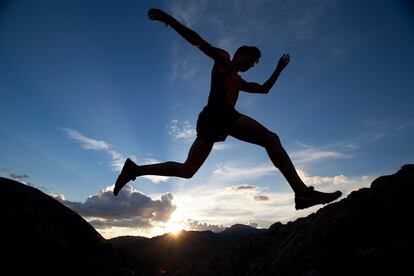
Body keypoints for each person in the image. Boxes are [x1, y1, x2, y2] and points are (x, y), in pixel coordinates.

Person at [113, 8, 342, 210]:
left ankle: (134, 170)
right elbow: (198, 41)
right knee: (270, 139)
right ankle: (301, 193)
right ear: (241, 54)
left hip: (211, 120)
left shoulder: (237, 80)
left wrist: (278, 70)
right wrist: (170, 21)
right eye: (252, 61)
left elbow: (263, 89)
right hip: (219, 114)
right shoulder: (223, 60)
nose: (251, 66)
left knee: (188, 170)